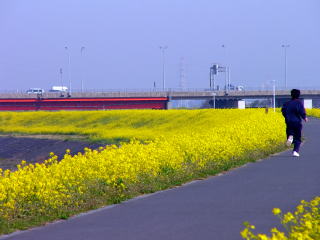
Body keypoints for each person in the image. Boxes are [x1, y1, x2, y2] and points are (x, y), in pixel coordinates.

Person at [281, 89, 308, 157]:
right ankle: (295, 151)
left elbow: (283, 111)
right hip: (297, 122)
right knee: (298, 138)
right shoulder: (299, 103)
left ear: (291, 95)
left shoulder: (286, 103)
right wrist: (304, 117)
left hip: (289, 122)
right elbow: (301, 111)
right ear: (298, 95)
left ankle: (290, 137)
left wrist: (287, 117)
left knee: (290, 133)